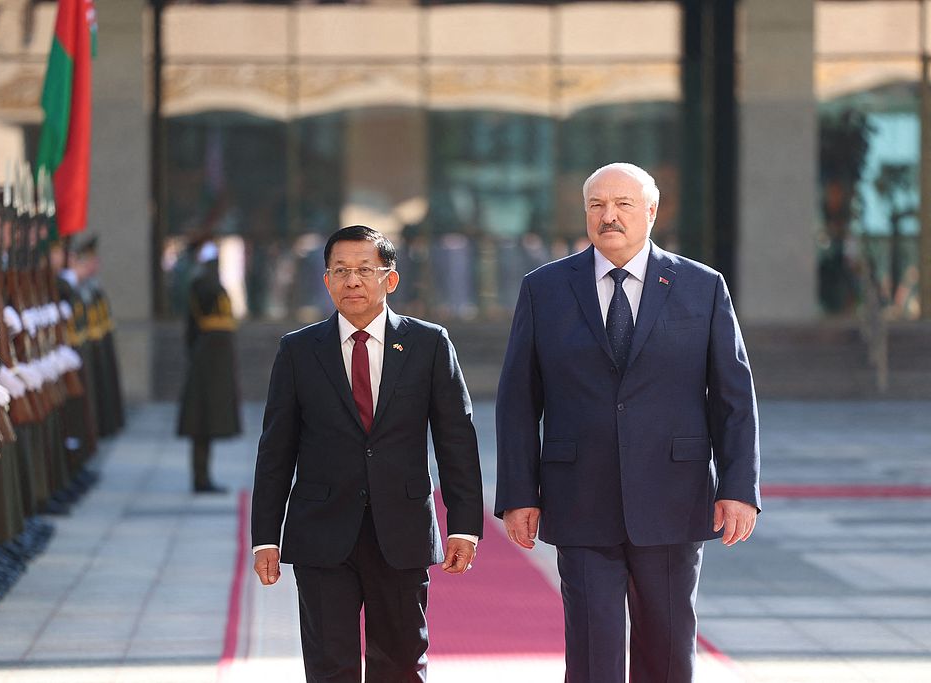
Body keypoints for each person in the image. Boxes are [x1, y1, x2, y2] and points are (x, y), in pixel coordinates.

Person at [495, 163, 761, 683]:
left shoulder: (701, 287)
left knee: (666, 648)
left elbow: (734, 395)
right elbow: (518, 399)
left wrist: (738, 486)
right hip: (579, 495)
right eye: (597, 205)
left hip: (672, 493)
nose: (608, 216)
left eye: (622, 205)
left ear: (652, 212)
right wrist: (519, 493)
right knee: (593, 649)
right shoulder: (544, 289)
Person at [252, 225, 483, 683]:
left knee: (400, 664)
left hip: (402, 531)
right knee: (329, 667)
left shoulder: (428, 344)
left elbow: (456, 439)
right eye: (340, 271)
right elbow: (275, 450)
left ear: (390, 280)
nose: (352, 281)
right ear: (326, 281)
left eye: (363, 270)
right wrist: (266, 537)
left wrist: (465, 526)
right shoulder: (299, 351)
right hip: (321, 534)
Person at [176, 239, 240, 493]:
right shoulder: (202, 284)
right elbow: (194, 324)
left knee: (209, 420)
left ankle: (203, 476)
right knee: (202, 419)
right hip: (206, 359)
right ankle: (200, 477)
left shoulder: (210, 283)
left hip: (216, 359)